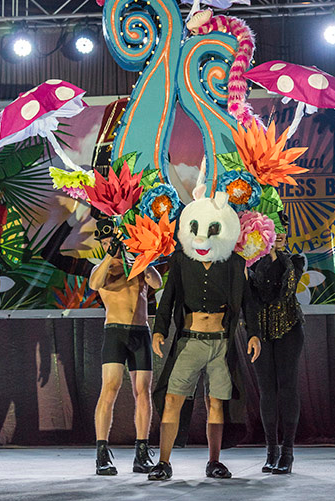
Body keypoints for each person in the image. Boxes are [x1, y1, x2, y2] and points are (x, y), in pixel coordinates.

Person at [147, 189, 261, 481]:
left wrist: (254, 333)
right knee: (173, 399)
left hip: (221, 344)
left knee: (216, 402)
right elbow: (168, 297)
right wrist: (159, 331)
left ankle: (214, 461)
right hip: (190, 341)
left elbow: (247, 301)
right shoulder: (182, 261)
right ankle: (163, 462)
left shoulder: (234, 264)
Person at [89, 218, 162, 476]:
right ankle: (101, 454)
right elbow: (94, 284)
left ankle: (141, 453)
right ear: (103, 244)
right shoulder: (103, 269)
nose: (112, 246)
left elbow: (157, 283)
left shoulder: (136, 266)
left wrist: (139, 258)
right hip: (115, 333)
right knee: (110, 388)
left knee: (143, 392)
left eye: (114, 242)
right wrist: (110, 257)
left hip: (140, 332)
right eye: (107, 243)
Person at [249, 212, 305, 474]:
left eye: (283, 229)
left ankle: (288, 452)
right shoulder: (250, 263)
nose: (279, 233)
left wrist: (276, 253)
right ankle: (271, 450)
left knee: (287, 386)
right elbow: (256, 292)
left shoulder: (294, 260)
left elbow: (286, 289)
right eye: (274, 228)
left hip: (289, 330)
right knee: (267, 389)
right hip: (260, 333)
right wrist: (264, 253)